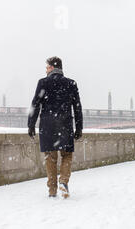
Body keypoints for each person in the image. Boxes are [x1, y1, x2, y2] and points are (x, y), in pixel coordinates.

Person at [28, 56, 83, 198]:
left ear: (52, 67)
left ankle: (52, 190)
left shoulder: (43, 83)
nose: (46, 70)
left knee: (50, 157)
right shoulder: (71, 83)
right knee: (67, 156)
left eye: (47, 67)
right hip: (65, 124)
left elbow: (35, 105)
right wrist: (79, 127)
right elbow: (77, 107)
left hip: (47, 125)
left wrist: (31, 125)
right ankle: (63, 182)